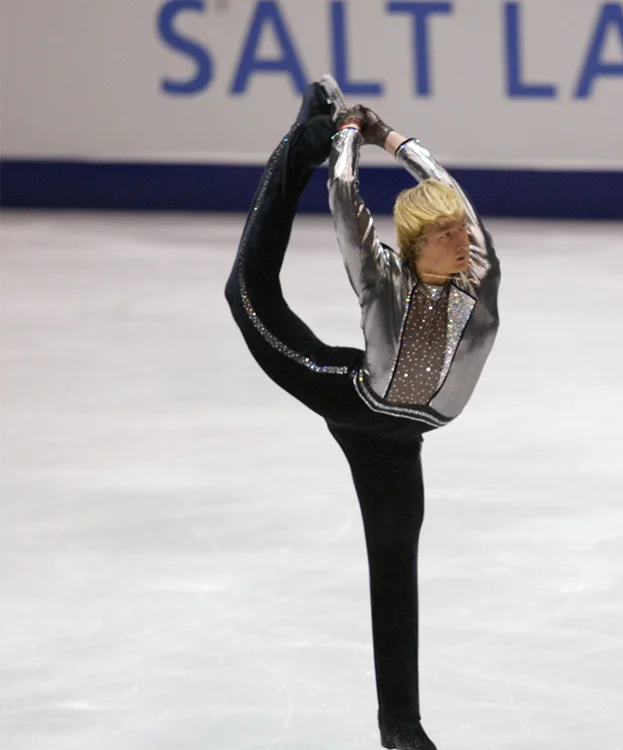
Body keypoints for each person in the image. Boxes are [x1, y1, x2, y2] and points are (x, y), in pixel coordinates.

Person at [223, 75, 500, 749]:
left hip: (402, 442)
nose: (460, 239)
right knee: (245, 292)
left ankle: (400, 724)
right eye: (443, 234)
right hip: (346, 391)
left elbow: (452, 193)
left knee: (394, 560)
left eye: (460, 230)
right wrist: (341, 137)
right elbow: (345, 200)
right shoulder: (382, 278)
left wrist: (394, 139)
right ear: (414, 243)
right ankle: (301, 139)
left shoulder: (482, 278)